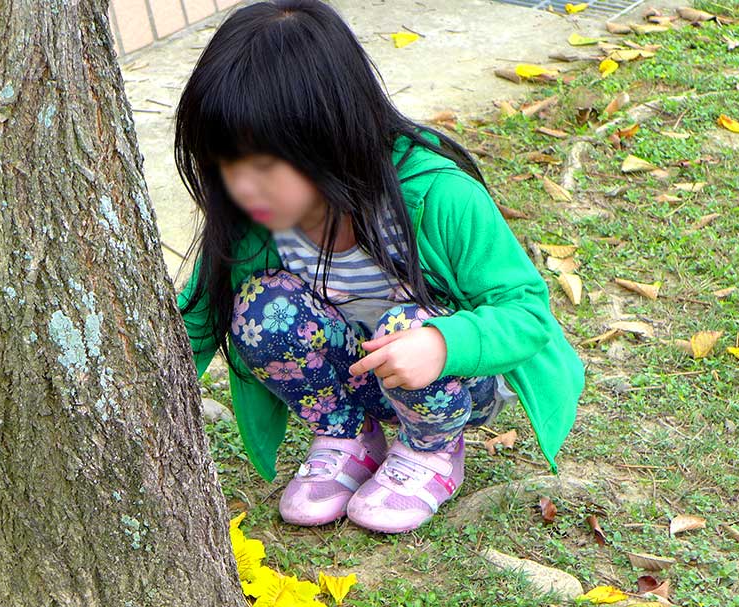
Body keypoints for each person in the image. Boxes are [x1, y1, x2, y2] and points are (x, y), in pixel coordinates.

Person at [172, 0, 584, 534]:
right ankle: (347, 437)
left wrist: (442, 344)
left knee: (405, 325)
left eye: (265, 166)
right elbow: (195, 320)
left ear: (329, 132)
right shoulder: (257, 221)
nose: (242, 187)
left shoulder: (439, 196)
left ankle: (431, 452)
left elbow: (527, 313)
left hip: (452, 379)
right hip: (358, 378)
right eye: (226, 165)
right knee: (261, 308)